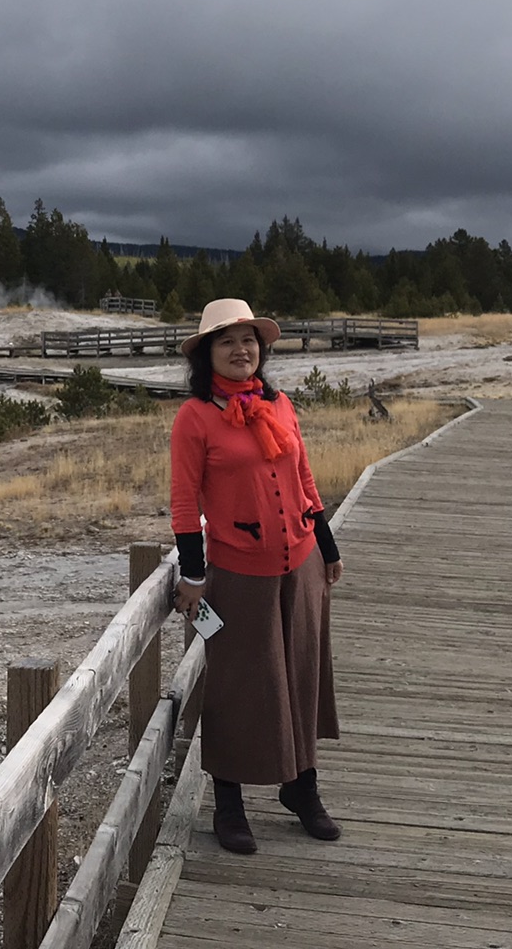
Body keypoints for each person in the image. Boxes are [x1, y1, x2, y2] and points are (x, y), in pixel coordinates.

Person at [170, 297, 342, 854]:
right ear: (207, 356)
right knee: (239, 685)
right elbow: (182, 503)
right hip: (240, 572)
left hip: (302, 562)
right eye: (227, 341)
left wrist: (328, 545)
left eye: (249, 339)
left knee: (302, 673)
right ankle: (229, 802)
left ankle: (302, 788)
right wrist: (194, 577)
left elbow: (306, 479)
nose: (241, 349)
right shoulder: (194, 417)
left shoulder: (280, 404)